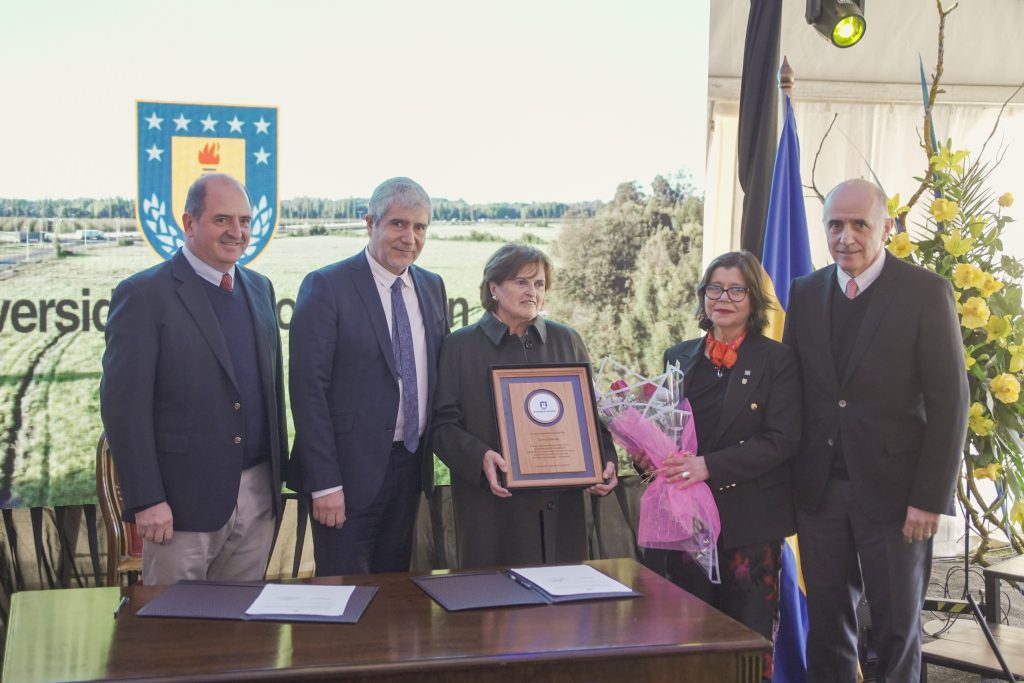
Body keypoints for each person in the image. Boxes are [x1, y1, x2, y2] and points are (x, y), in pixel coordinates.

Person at [783, 178, 969, 682]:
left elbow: (951, 403)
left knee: (895, 632)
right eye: (835, 225)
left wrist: (930, 498)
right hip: (820, 494)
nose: (846, 237)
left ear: (886, 227)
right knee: (826, 628)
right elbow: (797, 393)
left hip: (898, 500)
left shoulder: (926, 293)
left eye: (859, 225)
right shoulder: (804, 292)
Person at [100, 173, 288, 585]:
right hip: (181, 506)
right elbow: (123, 408)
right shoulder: (144, 295)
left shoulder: (260, 289)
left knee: (240, 630)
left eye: (244, 221)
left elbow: (270, 390)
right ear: (189, 223)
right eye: (222, 220)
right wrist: (148, 499)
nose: (236, 232)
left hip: (257, 496)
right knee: (175, 636)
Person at [641, 250, 800, 680]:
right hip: (686, 524)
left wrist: (709, 465)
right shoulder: (679, 355)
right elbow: (667, 428)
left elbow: (782, 440)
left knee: (745, 642)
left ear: (753, 300)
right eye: (715, 287)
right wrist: (649, 451)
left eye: (736, 289)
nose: (723, 298)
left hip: (749, 526)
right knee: (687, 637)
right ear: (703, 295)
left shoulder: (778, 359)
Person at [288, 177, 449, 576]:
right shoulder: (326, 285)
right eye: (397, 224)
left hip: (410, 466)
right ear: (370, 223)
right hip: (345, 476)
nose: (409, 237)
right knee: (342, 595)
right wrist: (325, 484)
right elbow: (309, 391)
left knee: (393, 591)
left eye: (420, 227)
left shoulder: (431, 286)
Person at [431, 243, 618, 568]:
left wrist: (605, 460)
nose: (532, 291)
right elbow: (442, 426)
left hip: (561, 511)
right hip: (493, 512)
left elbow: (589, 415)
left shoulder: (567, 340)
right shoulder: (458, 347)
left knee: (563, 611)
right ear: (494, 287)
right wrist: (479, 458)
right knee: (496, 610)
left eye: (539, 284)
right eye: (521, 282)